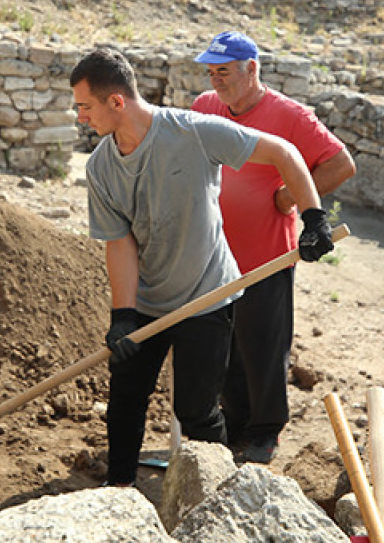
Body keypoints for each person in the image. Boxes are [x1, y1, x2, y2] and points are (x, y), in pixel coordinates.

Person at [69, 48, 335, 487]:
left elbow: (285, 152)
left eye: (85, 106)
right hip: (149, 301)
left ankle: (220, 492)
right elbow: (120, 244)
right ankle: (119, 494)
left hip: (206, 297)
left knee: (195, 410)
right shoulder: (101, 167)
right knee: (124, 402)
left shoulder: (192, 132)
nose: (80, 117)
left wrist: (313, 217)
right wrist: (123, 317)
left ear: (116, 102)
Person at [191, 31, 356, 464]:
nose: (216, 82)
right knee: (223, 346)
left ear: (252, 69)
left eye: (223, 72)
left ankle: (265, 431)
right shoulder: (205, 107)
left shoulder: (289, 115)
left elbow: (341, 163)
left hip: (267, 255)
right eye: (211, 73)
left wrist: (289, 198)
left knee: (262, 345)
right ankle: (236, 422)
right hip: (215, 254)